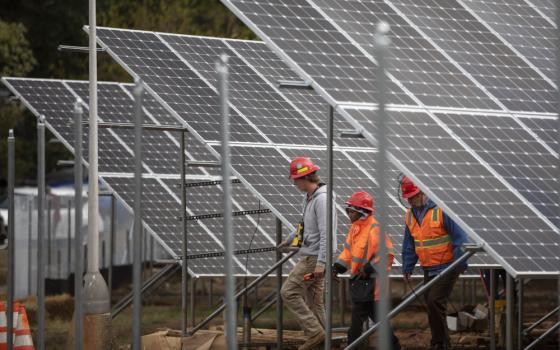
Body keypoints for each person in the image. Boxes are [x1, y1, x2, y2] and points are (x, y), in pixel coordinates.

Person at [400, 176, 469, 350]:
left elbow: (461, 237)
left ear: (423, 192)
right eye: (408, 197)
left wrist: (460, 262)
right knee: (432, 304)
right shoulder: (410, 216)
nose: (411, 200)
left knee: (434, 301)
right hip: (428, 267)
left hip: (448, 265)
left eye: (413, 196)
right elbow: (409, 243)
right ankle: (439, 341)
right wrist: (408, 266)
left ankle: (440, 343)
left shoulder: (441, 210)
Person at [277, 157, 337, 350]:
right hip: (313, 255)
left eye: (295, 179)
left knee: (288, 292)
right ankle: (324, 341)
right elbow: (304, 226)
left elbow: (327, 233)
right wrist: (289, 239)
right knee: (314, 302)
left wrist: (322, 262)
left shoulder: (322, 200)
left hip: (314, 258)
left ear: (305, 178)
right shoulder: (309, 198)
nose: (294, 183)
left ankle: (315, 332)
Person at [333, 191, 401, 349]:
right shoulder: (355, 229)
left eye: (351, 210)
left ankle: (351, 346)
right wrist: (337, 267)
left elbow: (387, 255)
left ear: (361, 212)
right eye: (347, 210)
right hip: (360, 284)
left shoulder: (374, 229)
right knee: (379, 323)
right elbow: (348, 253)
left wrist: (369, 268)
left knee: (356, 325)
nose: (348, 213)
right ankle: (395, 347)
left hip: (372, 286)